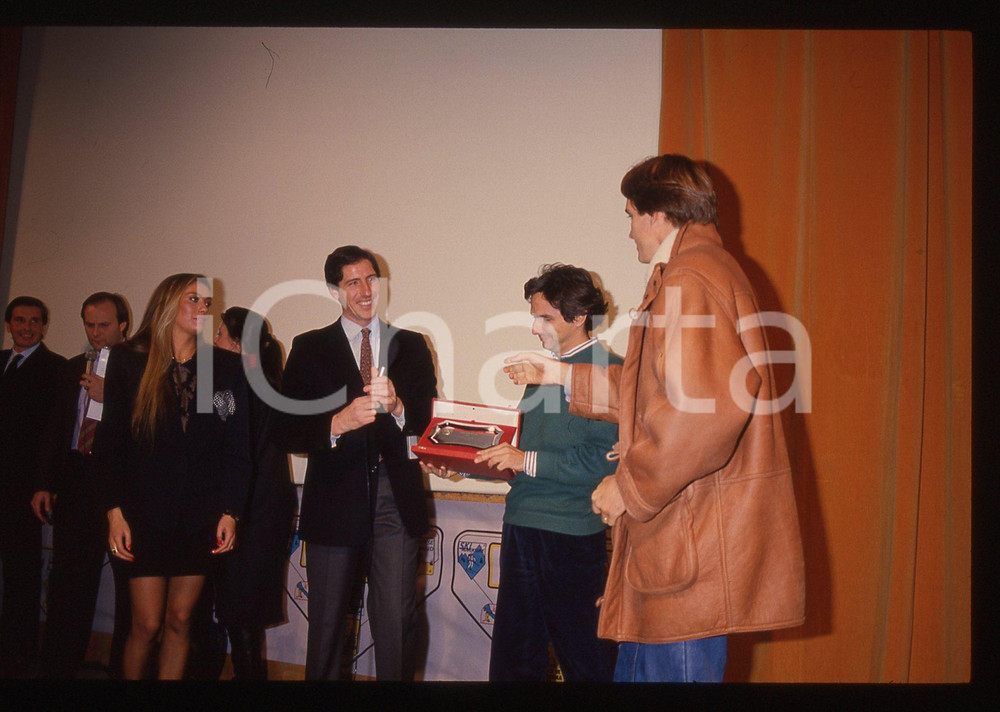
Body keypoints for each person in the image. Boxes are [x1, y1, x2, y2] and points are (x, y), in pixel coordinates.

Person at [504, 154, 806, 682]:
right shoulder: (690, 273)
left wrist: (630, 489)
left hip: (686, 545)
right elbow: (653, 392)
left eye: (630, 214)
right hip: (674, 541)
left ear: (658, 213)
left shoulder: (691, 277)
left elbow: (704, 413)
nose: (628, 232)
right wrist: (557, 376)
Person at [428, 264, 621, 681]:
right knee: (514, 665)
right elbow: (519, 459)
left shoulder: (610, 372)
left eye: (544, 317)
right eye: (533, 316)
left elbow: (601, 463)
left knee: (587, 661)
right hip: (520, 528)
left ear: (578, 315)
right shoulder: (539, 375)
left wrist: (523, 461)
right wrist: (462, 465)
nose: (535, 328)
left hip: (571, 535)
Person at [278, 245, 436, 681]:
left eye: (371, 279)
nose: (365, 291)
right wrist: (336, 423)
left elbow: (428, 426)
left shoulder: (411, 345)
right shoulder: (309, 348)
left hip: (395, 496)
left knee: (396, 622)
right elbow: (287, 430)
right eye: (353, 282)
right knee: (327, 626)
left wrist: (401, 407)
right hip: (334, 499)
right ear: (334, 290)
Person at [96, 274, 251, 680]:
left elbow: (236, 445)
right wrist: (114, 513)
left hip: (199, 515)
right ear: (168, 304)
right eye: (194, 299)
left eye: (207, 302)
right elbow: (109, 445)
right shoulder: (130, 361)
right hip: (143, 514)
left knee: (181, 621)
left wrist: (230, 511)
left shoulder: (223, 367)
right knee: (145, 624)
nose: (204, 308)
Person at [33, 292, 133, 679]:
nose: (96, 333)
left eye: (104, 325)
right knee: (67, 581)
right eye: (89, 325)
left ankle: (126, 670)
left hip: (121, 487)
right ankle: (58, 667)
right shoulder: (73, 366)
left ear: (123, 324)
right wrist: (45, 482)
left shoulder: (138, 366)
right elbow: (56, 429)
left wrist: (115, 397)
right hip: (75, 481)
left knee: (129, 587)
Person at [211, 307, 297, 679]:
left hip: (244, 515)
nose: (212, 342)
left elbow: (223, 457)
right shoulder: (268, 386)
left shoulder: (236, 389)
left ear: (235, 344)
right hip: (260, 514)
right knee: (237, 615)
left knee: (236, 615)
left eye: (218, 334)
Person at [0, 296, 66, 678]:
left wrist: (45, 484)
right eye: (20, 320)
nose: (27, 327)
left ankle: (17, 652)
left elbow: (52, 437)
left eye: (35, 321)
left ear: (44, 326)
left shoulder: (56, 368)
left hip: (26, 490)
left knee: (22, 573)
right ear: (8, 324)